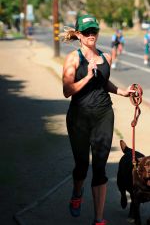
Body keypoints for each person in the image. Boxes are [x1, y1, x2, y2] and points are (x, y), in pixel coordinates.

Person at [61, 14, 134, 225]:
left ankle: (98, 219)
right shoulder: (73, 59)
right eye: (86, 32)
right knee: (82, 165)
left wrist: (122, 91)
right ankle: (77, 194)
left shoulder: (106, 57)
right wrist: (87, 76)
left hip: (103, 115)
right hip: (79, 117)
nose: (91, 35)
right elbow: (67, 90)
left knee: (100, 167)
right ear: (78, 35)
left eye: (94, 31)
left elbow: (104, 83)